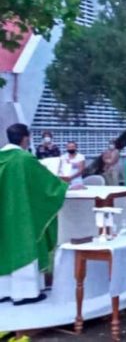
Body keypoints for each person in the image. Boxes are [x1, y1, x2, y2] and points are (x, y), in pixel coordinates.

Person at [0, 124, 67, 305]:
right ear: (25, 138)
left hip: (3, 213)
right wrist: (63, 186)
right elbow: (46, 185)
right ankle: (25, 293)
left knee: (4, 247)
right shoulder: (24, 159)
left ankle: (4, 291)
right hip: (21, 214)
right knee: (24, 244)